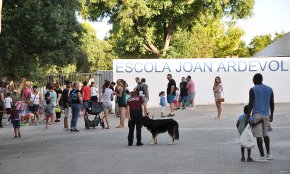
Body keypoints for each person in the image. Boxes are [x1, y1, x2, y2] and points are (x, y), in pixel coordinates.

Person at [247, 73, 274, 161]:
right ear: (261, 79)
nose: (252, 81)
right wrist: (272, 115)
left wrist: (248, 117)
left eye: (253, 79)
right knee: (266, 134)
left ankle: (262, 156)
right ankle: (268, 154)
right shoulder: (269, 89)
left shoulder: (252, 89)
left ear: (255, 80)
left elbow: (250, 104)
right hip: (266, 115)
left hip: (257, 115)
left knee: (259, 136)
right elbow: (272, 103)